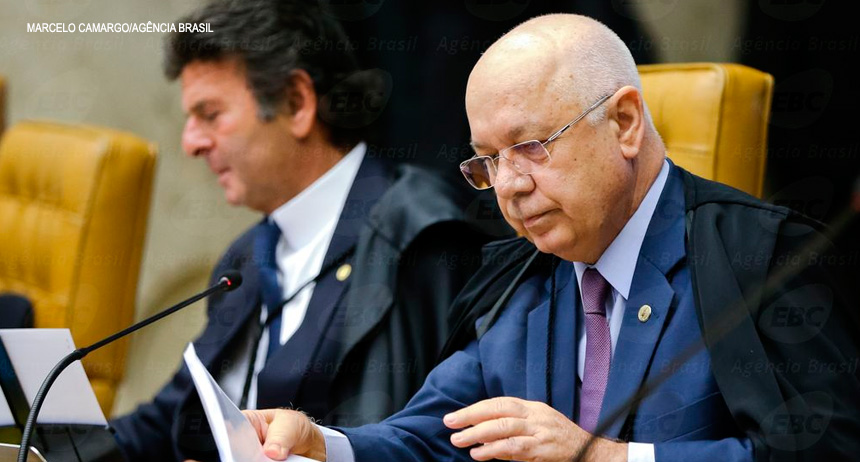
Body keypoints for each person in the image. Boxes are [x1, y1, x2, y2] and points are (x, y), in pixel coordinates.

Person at [239, 13, 860, 462]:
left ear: (624, 122)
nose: (509, 186)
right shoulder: (517, 277)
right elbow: (435, 435)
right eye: (488, 160)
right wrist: (322, 445)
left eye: (531, 146)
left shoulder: (768, 257)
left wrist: (608, 458)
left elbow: (828, 449)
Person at [110, 1, 505, 461]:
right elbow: (166, 420)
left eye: (210, 114)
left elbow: (436, 434)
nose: (190, 142)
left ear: (297, 103)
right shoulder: (244, 257)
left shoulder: (421, 235)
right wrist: (48, 439)